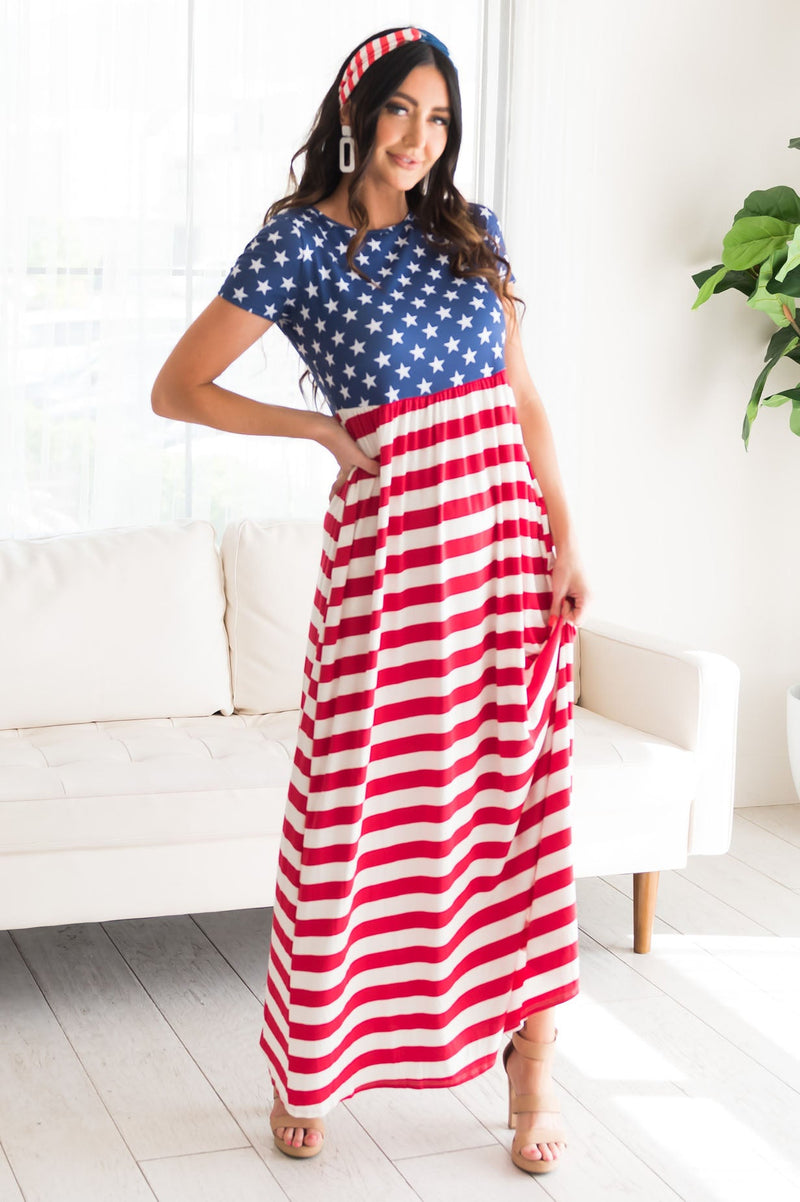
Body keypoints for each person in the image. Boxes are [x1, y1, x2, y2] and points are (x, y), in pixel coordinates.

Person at [152, 25, 589, 1176]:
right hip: (390, 563)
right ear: (356, 114)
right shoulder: (297, 245)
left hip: (503, 550)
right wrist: (314, 426)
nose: (418, 138)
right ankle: (309, 1060)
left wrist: (565, 534)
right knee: (355, 805)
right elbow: (178, 387)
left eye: (438, 119)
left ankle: (531, 1066)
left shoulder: (470, 230)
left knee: (518, 801)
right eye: (401, 110)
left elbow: (521, 396)